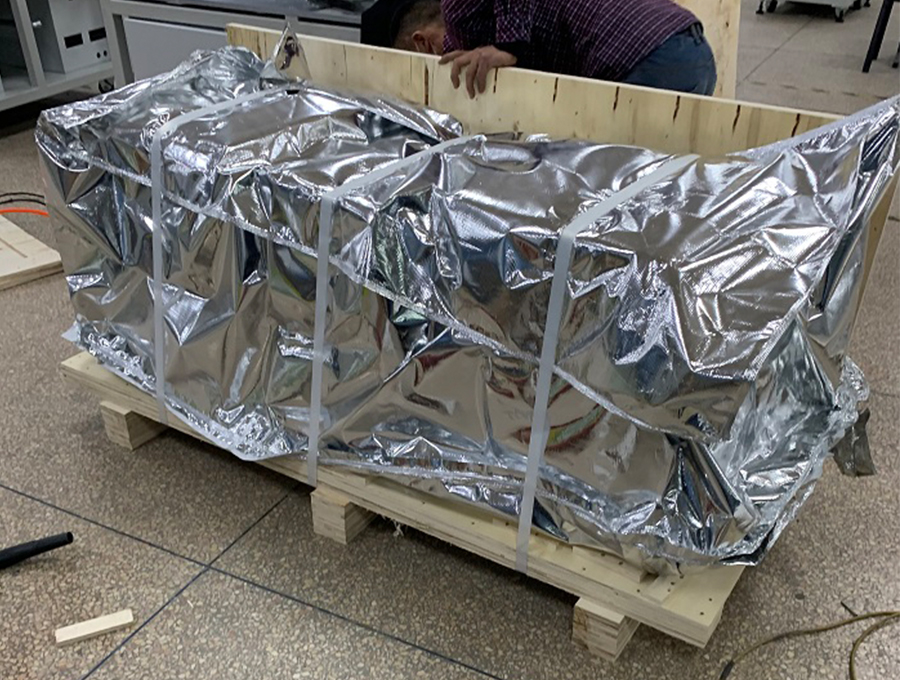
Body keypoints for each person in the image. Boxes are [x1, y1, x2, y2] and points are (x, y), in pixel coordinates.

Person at [392, 0, 717, 98]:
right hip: (691, 48)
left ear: (422, 42)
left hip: (645, 56)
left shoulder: (457, 9)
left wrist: (508, 45)